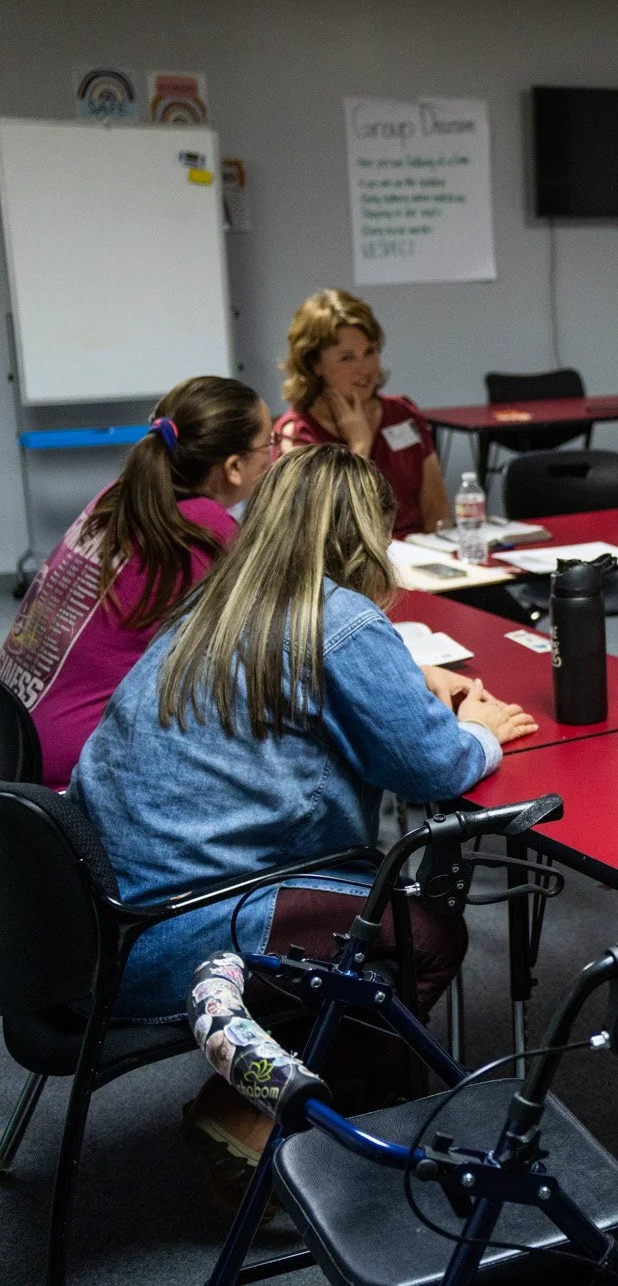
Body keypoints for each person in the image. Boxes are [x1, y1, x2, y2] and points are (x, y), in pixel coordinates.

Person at [68, 444, 535, 1184]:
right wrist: (479, 724)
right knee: (428, 936)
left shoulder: (210, 604)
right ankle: (248, 1121)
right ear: (364, 535)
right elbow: (433, 765)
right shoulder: (340, 620)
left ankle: (306, 1088)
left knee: (361, 909)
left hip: (96, 920)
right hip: (186, 934)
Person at [0, 377, 276, 786]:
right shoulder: (202, 526)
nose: (273, 456)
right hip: (70, 765)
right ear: (234, 468)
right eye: (267, 444)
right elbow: (266, 638)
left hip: (16, 736)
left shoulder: (121, 497)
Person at [274, 288, 451, 538]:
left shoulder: (402, 414)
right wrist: (359, 446)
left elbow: (437, 509)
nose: (366, 369)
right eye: (347, 358)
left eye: (370, 352)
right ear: (315, 365)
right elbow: (321, 534)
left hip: (419, 561)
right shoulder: (296, 437)